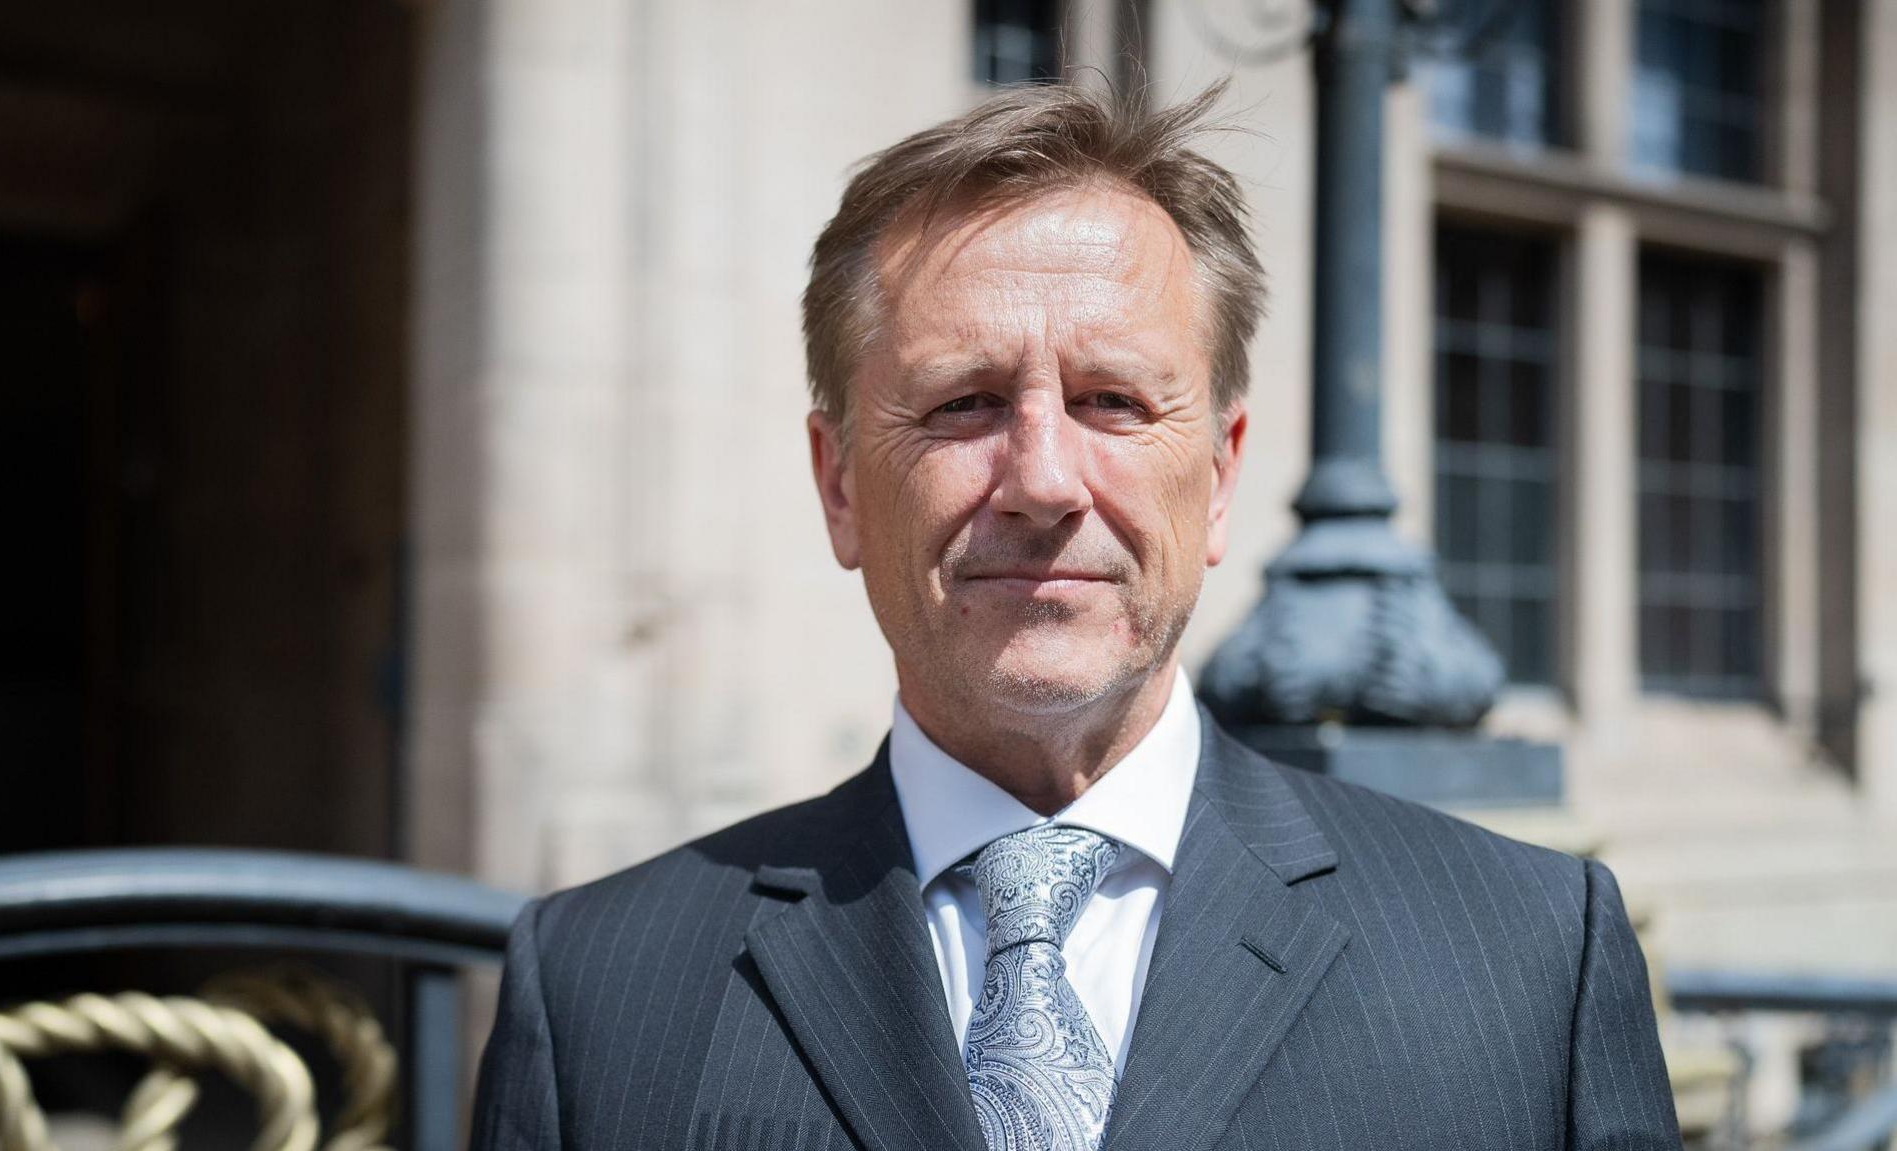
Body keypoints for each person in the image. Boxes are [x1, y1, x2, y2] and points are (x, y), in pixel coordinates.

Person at [469, 81, 1681, 1151]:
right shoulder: (600, 989)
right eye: (962, 404)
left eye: (1110, 399)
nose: (1042, 477)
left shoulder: (1526, 961)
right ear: (839, 484)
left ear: (1215, 472)